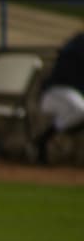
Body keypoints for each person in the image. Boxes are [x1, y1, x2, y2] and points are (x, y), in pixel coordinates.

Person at [34, 31, 84, 164]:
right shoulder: (77, 46)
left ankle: (45, 138)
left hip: (68, 94)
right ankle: (45, 139)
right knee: (80, 110)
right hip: (57, 91)